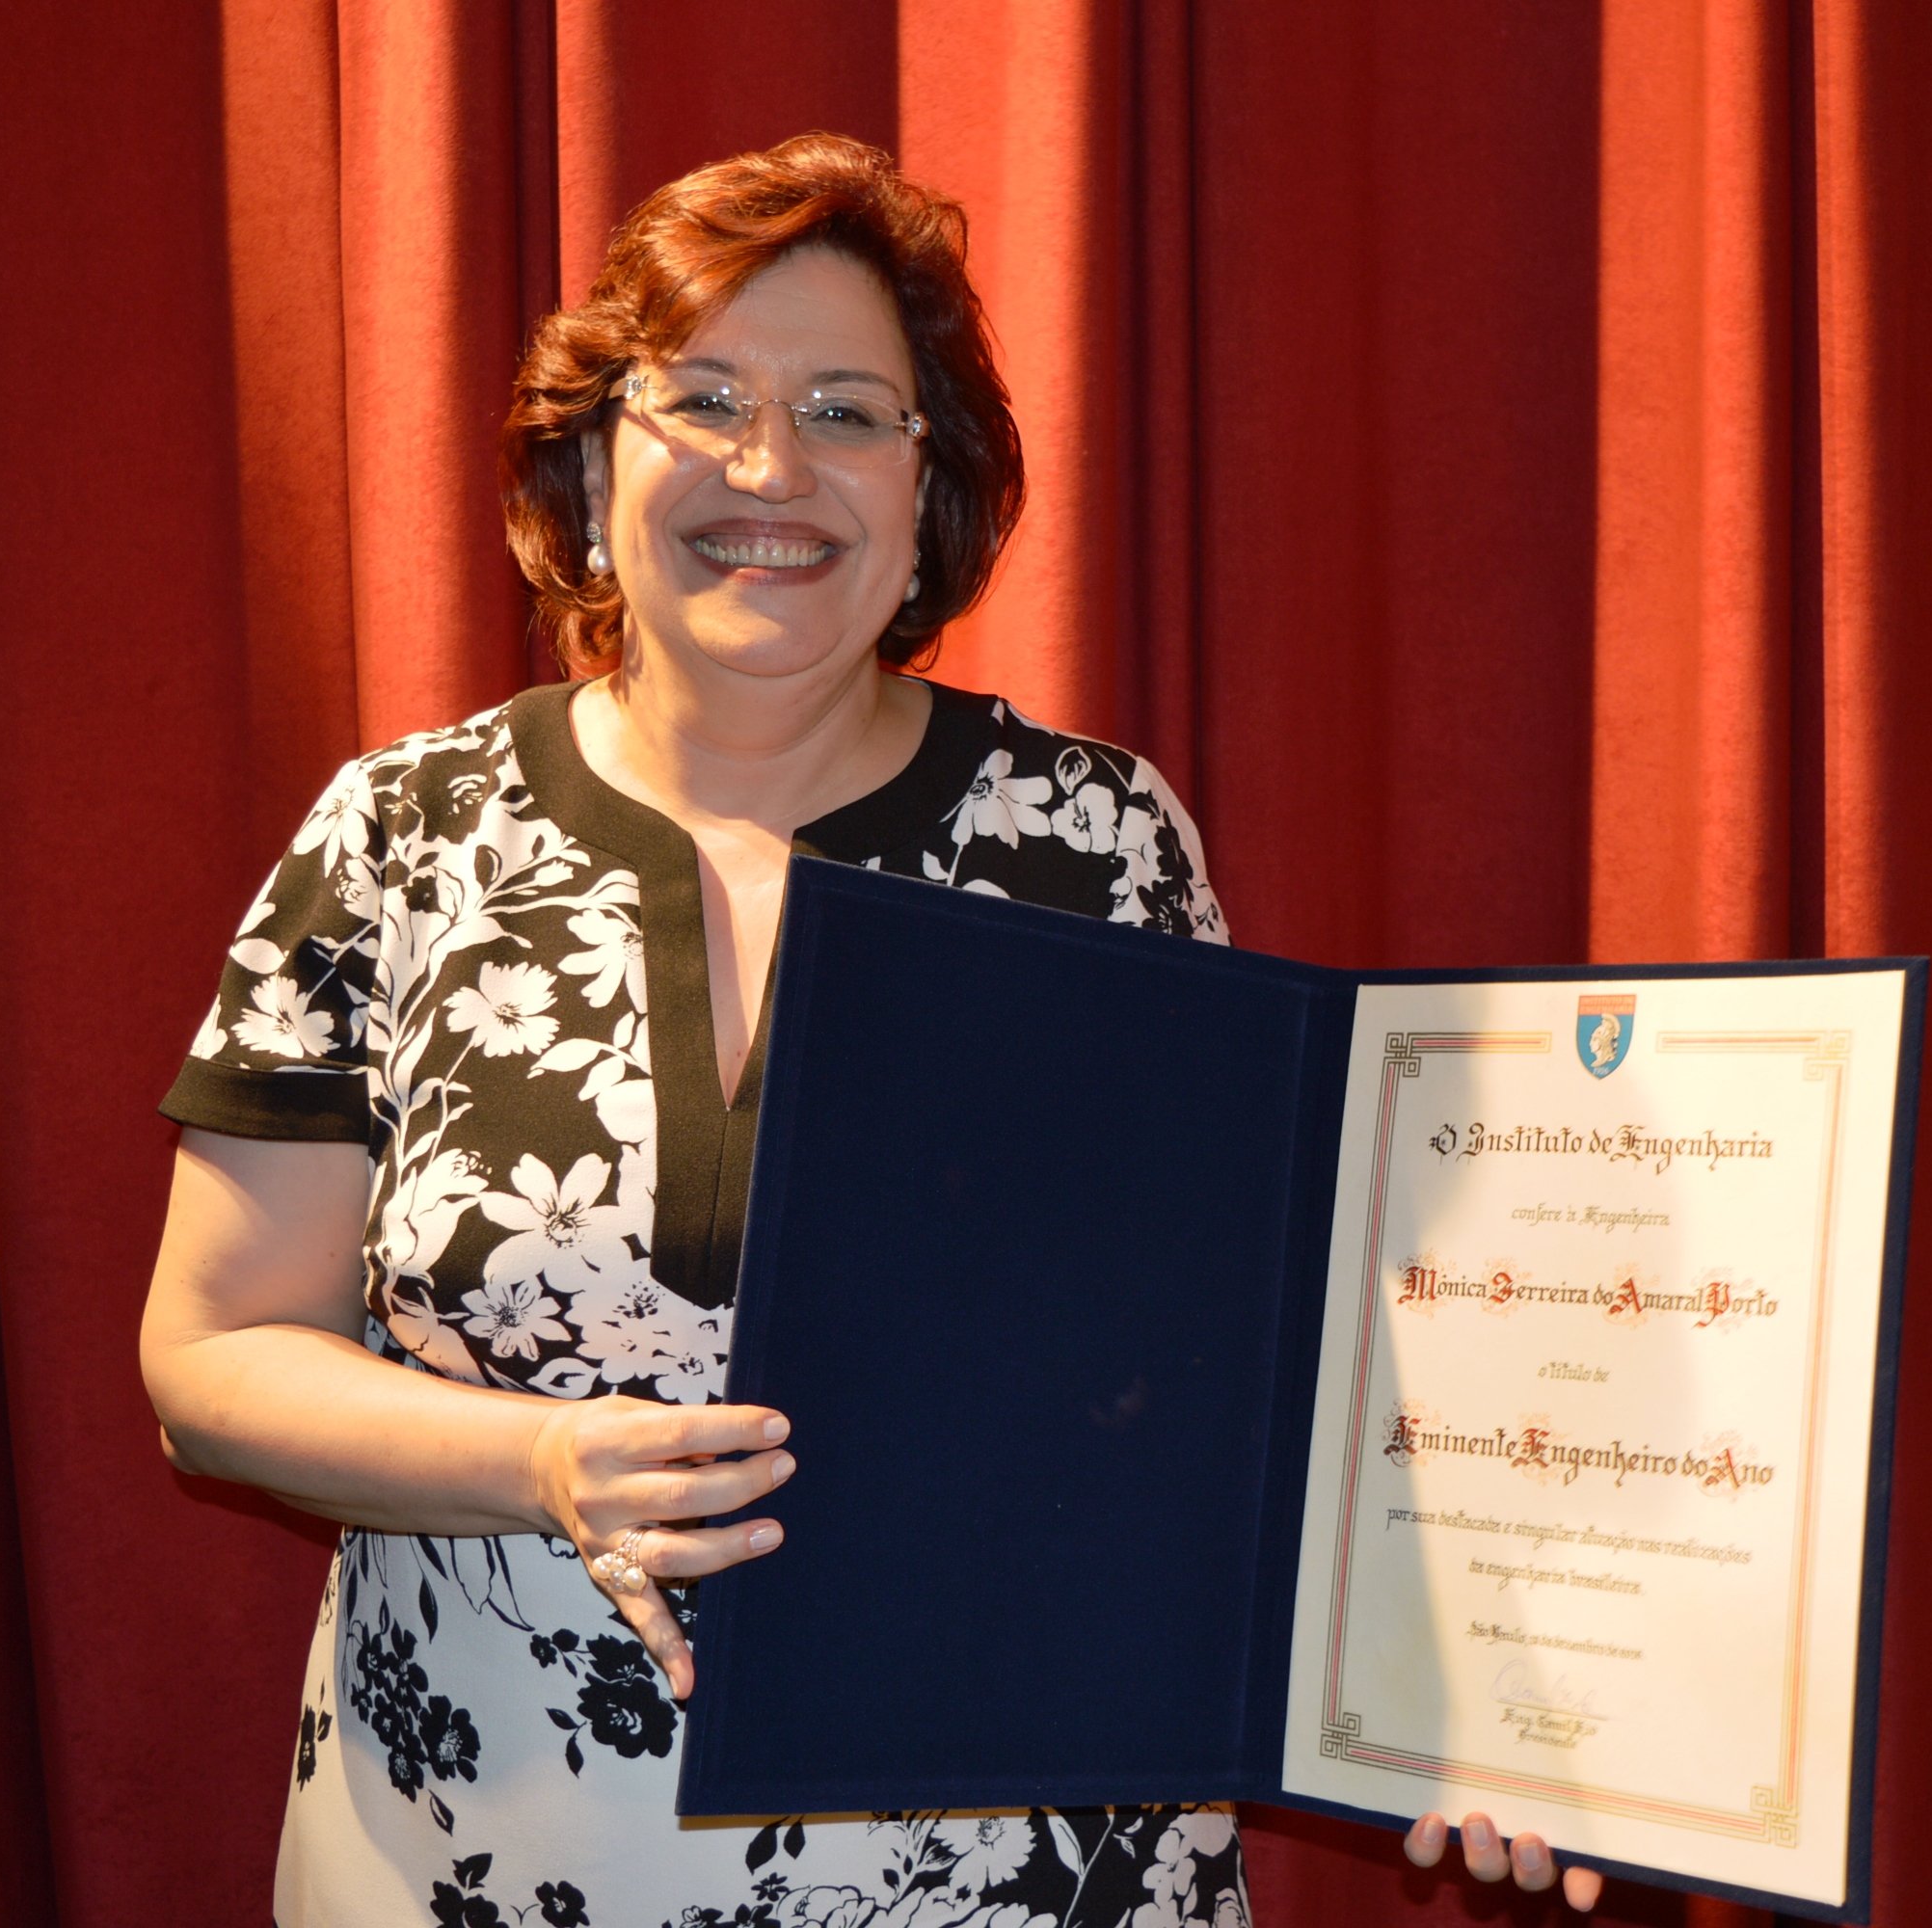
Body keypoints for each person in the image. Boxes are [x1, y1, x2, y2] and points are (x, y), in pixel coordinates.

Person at [141, 131, 1597, 1926]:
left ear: (932, 496)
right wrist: (537, 1463)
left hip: (1028, 1867)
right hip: (484, 1853)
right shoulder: (398, 836)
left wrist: (1468, 1692)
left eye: (848, 410)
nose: (773, 467)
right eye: (703, 400)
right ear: (595, 463)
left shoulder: (1099, 842)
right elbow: (210, 1363)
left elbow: (1257, 1366)